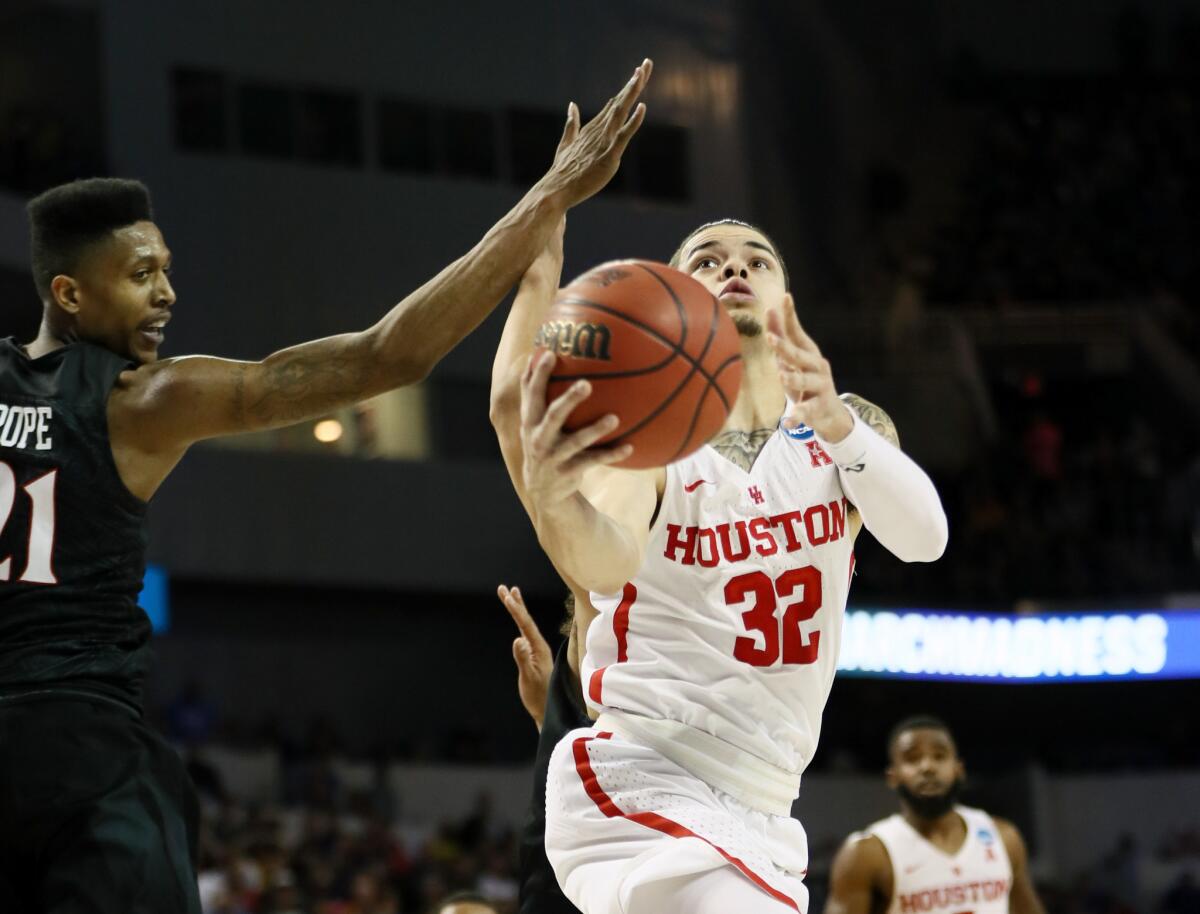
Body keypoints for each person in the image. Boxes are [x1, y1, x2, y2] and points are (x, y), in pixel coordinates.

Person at [0, 61, 653, 914]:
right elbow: (390, 355)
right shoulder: (143, 402)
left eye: (165, 268)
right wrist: (548, 199)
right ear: (68, 294)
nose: (167, 293)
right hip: (88, 757)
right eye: (140, 275)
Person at [501, 217, 949, 913]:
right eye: (707, 261)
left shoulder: (845, 429)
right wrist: (560, 498)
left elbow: (926, 538)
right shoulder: (647, 439)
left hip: (767, 807)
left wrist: (836, 420)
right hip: (643, 782)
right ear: (674, 298)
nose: (734, 267)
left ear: (786, 296)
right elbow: (605, 561)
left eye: (757, 259)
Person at [824, 716, 1046, 914]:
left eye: (939, 756)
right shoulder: (866, 854)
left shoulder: (1003, 837)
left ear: (958, 769)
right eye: (912, 758)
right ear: (893, 776)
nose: (927, 767)